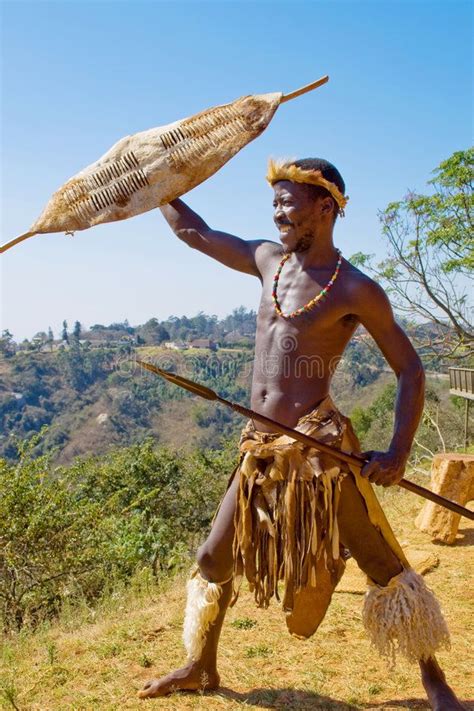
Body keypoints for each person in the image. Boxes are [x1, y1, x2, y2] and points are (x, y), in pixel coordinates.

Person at [138, 158, 463, 710]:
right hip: (259, 451)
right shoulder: (268, 261)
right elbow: (195, 232)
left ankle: (435, 681)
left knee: (382, 564)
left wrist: (399, 452)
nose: (277, 212)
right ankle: (201, 665)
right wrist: (152, 181)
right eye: (275, 202)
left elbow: (411, 369)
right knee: (214, 559)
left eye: (288, 201)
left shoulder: (356, 288)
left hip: (320, 452)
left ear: (326, 206)